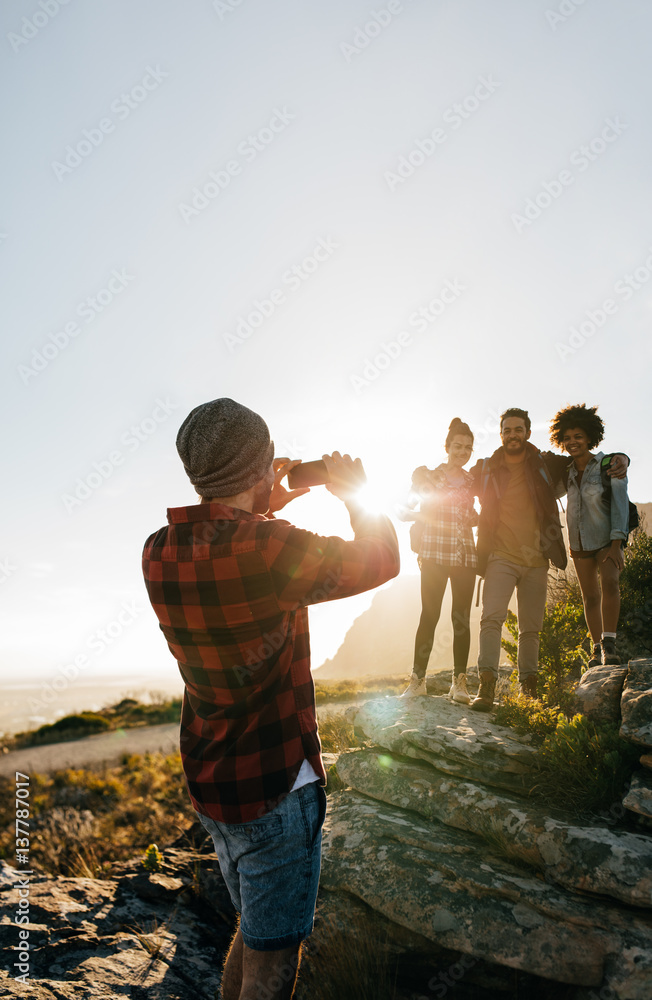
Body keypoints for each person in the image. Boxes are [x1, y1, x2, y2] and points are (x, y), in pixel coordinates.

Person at [141, 398, 399, 1000]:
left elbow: (228, 548)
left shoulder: (157, 549)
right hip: (277, 785)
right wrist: (355, 491)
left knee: (254, 933)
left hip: (213, 783)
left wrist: (257, 503)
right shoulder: (269, 548)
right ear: (261, 465)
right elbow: (382, 558)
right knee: (273, 963)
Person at [467, 407, 628, 712]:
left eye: (518, 429)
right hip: (499, 556)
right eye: (507, 430)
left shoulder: (546, 463)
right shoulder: (486, 467)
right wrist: (424, 477)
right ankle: (486, 687)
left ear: (528, 432)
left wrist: (622, 458)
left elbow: (587, 457)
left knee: (531, 628)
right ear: (501, 434)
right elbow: (457, 485)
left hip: (537, 558)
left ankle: (528, 690)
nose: (512, 435)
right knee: (491, 619)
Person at [399, 418, 478, 704]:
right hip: (433, 553)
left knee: (461, 619)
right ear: (447, 447)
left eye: (468, 447)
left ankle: (459, 685)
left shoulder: (472, 480)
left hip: (465, 554)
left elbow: (473, 516)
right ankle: (417, 681)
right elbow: (404, 509)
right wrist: (414, 486)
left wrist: (475, 517)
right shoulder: (429, 476)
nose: (463, 451)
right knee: (429, 616)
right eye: (458, 446)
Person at [549, 404, 630, 667]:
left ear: (590, 437)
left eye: (578, 437)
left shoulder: (609, 465)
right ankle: (596, 649)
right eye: (568, 438)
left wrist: (617, 544)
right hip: (579, 543)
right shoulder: (567, 472)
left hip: (607, 540)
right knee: (590, 597)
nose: (573, 442)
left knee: (610, 585)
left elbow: (620, 504)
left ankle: (609, 644)